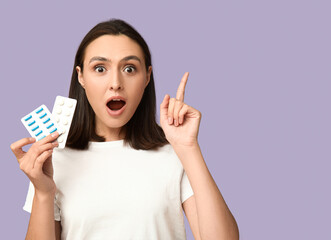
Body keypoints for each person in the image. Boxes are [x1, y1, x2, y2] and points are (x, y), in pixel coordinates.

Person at [10, 19, 239, 240]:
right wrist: (42, 192)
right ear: (81, 77)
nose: (116, 83)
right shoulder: (53, 160)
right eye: (100, 68)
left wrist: (188, 148)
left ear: (147, 76)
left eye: (129, 68)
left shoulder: (174, 154)